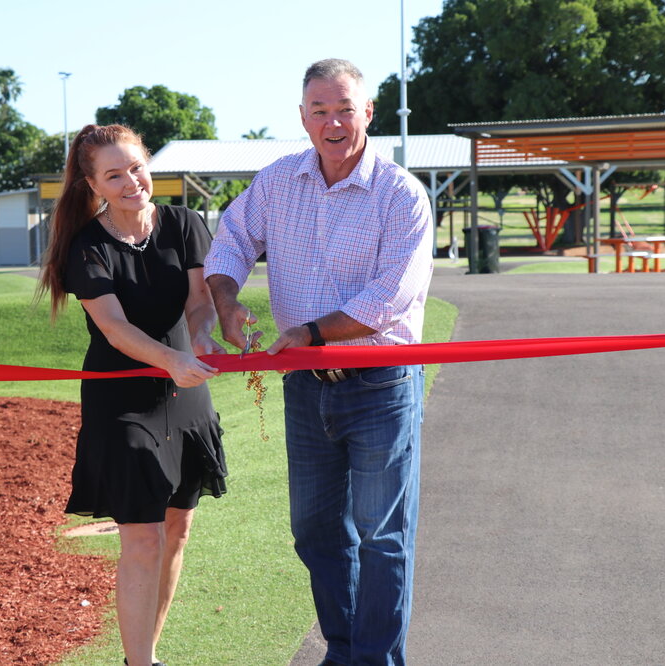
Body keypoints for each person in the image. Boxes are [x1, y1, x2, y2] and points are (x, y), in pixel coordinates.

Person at [204, 59, 434, 665]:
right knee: (315, 530)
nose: (333, 123)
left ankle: (375, 659)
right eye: (319, 111)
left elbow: (390, 300)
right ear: (302, 116)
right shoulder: (278, 181)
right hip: (305, 385)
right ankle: (346, 651)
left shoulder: (401, 195)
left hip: (381, 383)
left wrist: (309, 331)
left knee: (382, 535)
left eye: (344, 109)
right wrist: (226, 303)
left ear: (369, 113)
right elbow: (229, 242)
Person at [38, 123, 226, 666]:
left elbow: (198, 300)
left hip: (185, 393)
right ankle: (139, 665)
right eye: (113, 175)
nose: (130, 182)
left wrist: (205, 334)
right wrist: (174, 360)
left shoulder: (184, 222)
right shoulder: (87, 245)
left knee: (177, 527)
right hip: (122, 399)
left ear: (150, 164)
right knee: (142, 538)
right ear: (93, 184)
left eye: (136, 167)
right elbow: (116, 328)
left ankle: (146, 654)